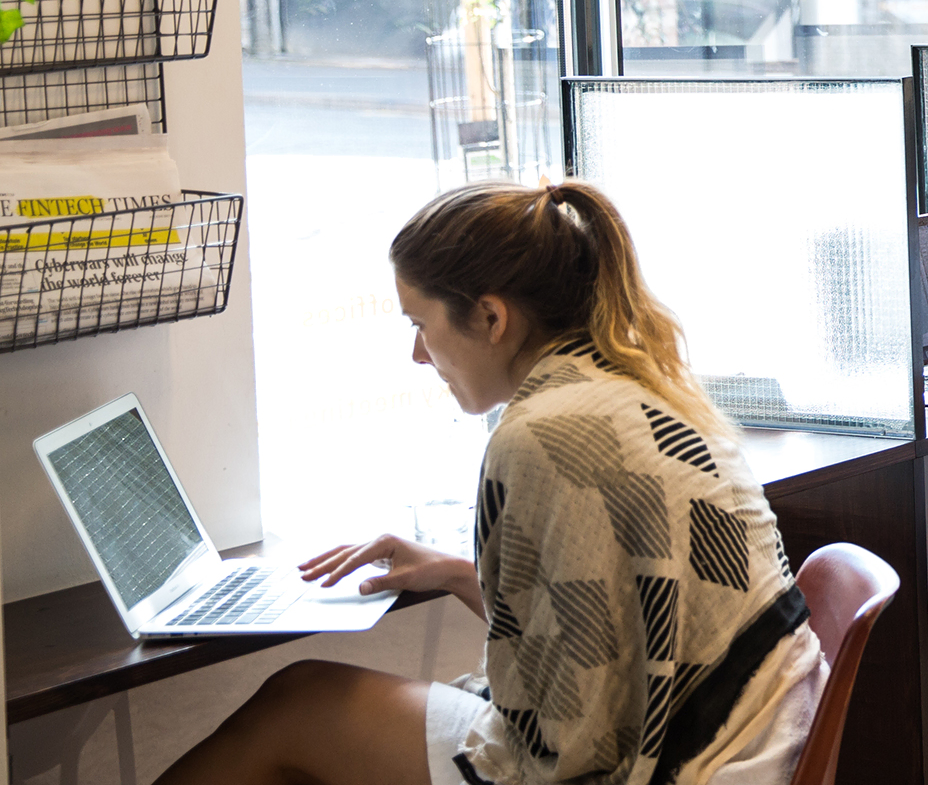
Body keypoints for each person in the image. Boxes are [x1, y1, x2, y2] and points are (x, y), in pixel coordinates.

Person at [158, 181, 823, 785]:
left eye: (421, 324)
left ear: (491, 318)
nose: (418, 353)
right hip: (744, 734)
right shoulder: (632, 386)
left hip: (690, 763)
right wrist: (453, 573)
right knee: (304, 700)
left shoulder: (545, 434)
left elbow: (571, 736)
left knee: (293, 707)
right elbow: (611, 635)